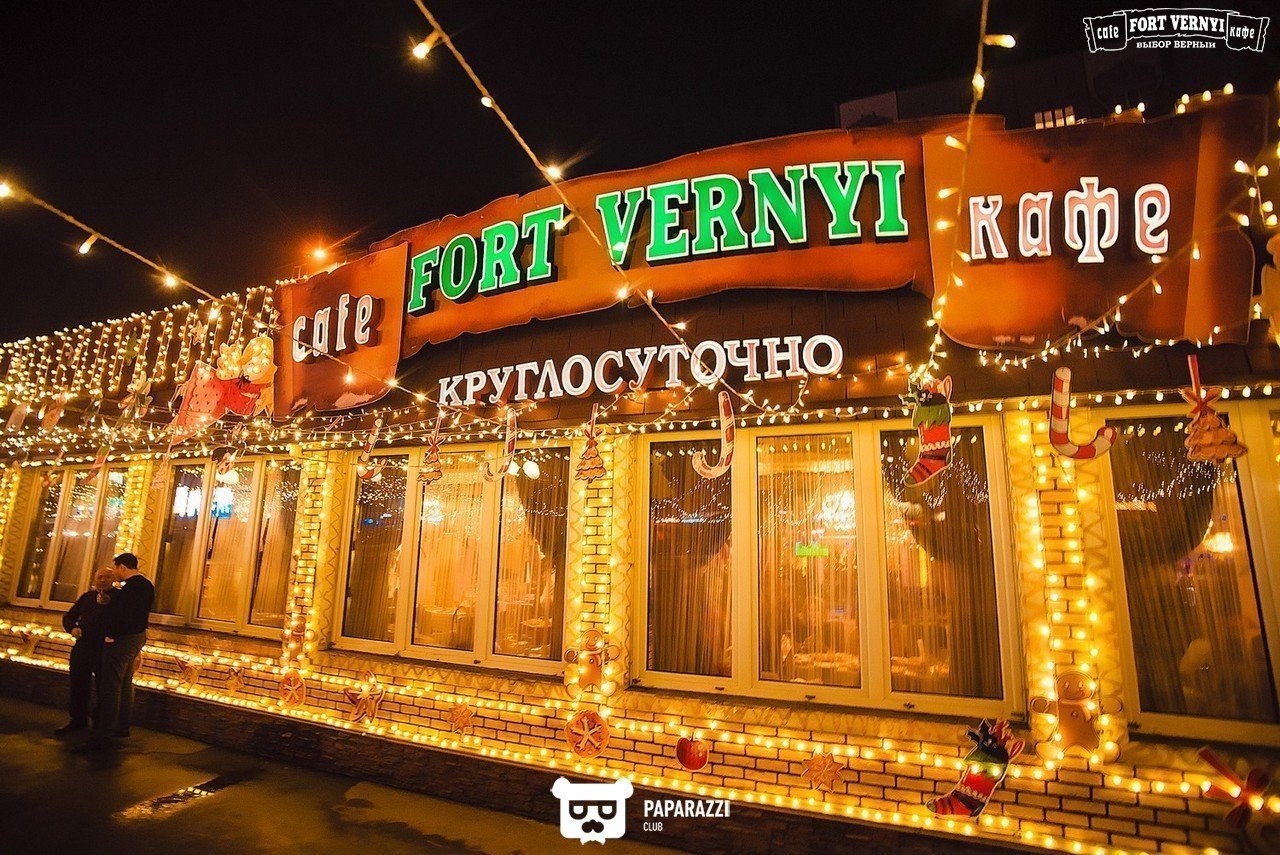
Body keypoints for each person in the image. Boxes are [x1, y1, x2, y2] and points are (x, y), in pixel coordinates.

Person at [87, 552, 154, 747]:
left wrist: (111, 633)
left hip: (124, 639)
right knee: (125, 682)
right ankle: (122, 726)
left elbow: (123, 615)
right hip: (137, 636)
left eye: (115, 568)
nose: (114, 573)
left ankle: (105, 731)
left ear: (122, 567)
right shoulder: (146, 585)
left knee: (111, 684)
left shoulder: (132, 587)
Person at [55, 567, 115, 735]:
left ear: (113, 579)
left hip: (105, 648)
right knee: (78, 683)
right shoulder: (87, 597)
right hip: (83, 645)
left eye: (107, 577)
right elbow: (69, 617)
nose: (103, 580)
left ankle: (100, 723)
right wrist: (72, 629)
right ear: (94, 579)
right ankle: (78, 719)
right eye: (100, 577)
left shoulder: (118, 598)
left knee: (104, 686)